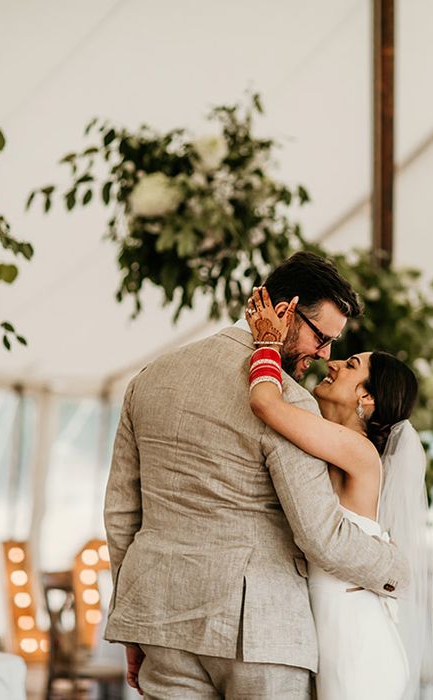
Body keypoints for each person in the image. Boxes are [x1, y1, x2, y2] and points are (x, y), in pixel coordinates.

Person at [103, 252, 410, 699]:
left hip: (159, 618)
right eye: (321, 338)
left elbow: (121, 513)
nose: (325, 356)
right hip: (259, 631)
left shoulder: (148, 379)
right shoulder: (287, 401)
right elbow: (318, 534)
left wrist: (130, 620)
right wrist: (395, 569)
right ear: (284, 313)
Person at [245, 286, 433, 700]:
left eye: (350, 365)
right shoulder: (326, 444)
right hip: (330, 634)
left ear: (366, 397)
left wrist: (266, 344)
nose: (330, 363)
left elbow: (265, 403)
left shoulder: (359, 453)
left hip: (357, 643)